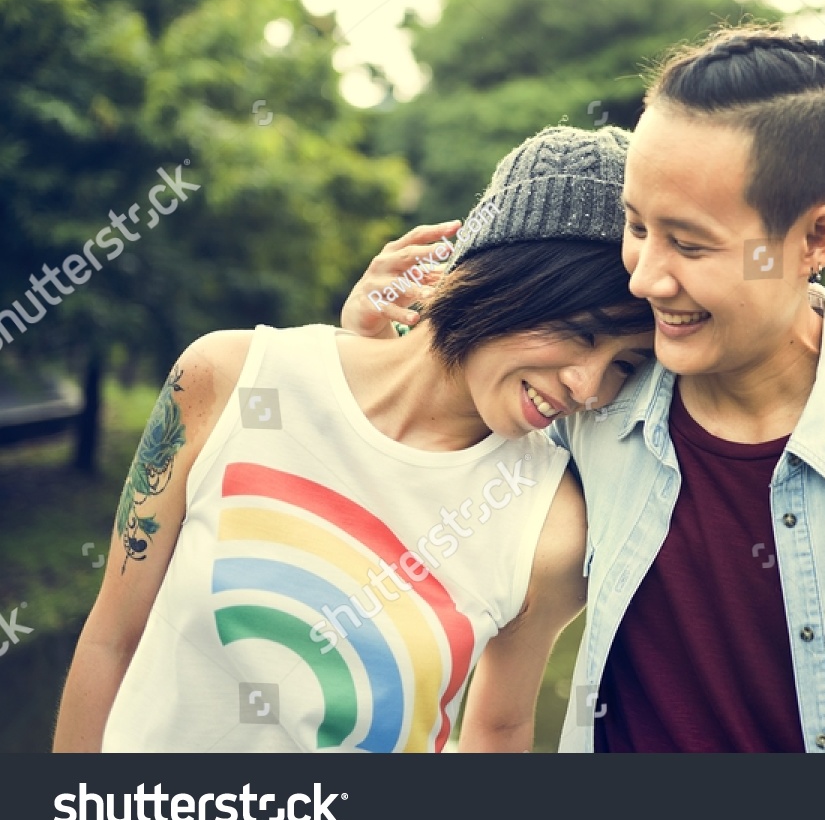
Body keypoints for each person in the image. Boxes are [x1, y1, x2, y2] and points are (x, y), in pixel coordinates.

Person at [344, 27, 825, 752]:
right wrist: (371, 356)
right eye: (637, 224)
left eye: (690, 243)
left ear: (815, 239)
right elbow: (401, 497)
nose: (645, 275)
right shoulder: (584, 408)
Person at [53, 126, 654, 752]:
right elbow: (111, 637)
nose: (588, 387)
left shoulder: (549, 526)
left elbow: (498, 728)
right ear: (503, 275)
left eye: (625, 366)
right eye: (581, 331)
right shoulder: (230, 377)